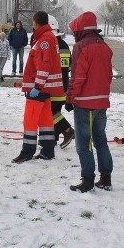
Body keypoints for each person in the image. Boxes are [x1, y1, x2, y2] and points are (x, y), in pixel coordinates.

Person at [66, 11, 114, 193]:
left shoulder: (80, 47)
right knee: (101, 139)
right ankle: (106, 178)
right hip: (101, 102)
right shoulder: (104, 46)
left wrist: (70, 99)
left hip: (84, 102)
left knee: (83, 142)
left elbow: (77, 76)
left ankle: (87, 180)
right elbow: (108, 75)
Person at [12, 11, 63, 163]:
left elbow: (44, 65)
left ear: (35, 22)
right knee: (45, 119)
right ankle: (47, 150)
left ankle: (27, 152)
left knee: (30, 119)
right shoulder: (47, 37)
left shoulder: (44, 40)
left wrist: (37, 86)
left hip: (39, 88)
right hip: (45, 88)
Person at [48, 16, 76, 149]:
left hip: (53, 86)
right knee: (55, 112)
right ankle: (52, 140)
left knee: (50, 112)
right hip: (64, 84)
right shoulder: (64, 45)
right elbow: (69, 67)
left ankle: (68, 131)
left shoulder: (51, 44)